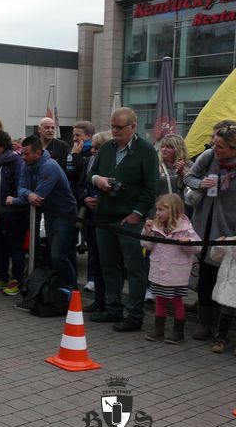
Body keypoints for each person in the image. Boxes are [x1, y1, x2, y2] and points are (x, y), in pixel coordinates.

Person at [89, 107, 159, 332]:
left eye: (119, 127)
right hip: (104, 215)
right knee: (109, 265)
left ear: (133, 127)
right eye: (112, 127)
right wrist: (98, 180)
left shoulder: (146, 150)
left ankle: (135, 315)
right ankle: (113, 308)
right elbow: (91, 173)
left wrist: (137, 213)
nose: (115, 131)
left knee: (134, 268)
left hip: (130, 219)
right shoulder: (107, 148)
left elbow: (152, 187)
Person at [184, 124, 236, 340]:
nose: (215, 150)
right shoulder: (208, 157)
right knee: (206, 272)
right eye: (215, 145)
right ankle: (204, 321)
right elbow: (188, 178)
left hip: (230, 227)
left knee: (225, 275)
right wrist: (200, 183)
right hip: (204, 222)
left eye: (220, 147)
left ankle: (221, 324)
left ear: (233, 149)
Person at [10, 135, 78, 289]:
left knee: (58, 255)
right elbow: (22, 187)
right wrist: (28, 194)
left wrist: (14, 200)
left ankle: (72, 290)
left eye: (26, 154)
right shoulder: (26, 164)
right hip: (49, 214)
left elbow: (39, 197)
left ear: (38, 153)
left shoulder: (49, 167)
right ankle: (61, 288)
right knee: (56, 254)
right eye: (22, 153)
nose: (23, 157)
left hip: (64, 214)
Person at [141, 194, 200, 343]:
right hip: (159, 271)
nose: (157, 213)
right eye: (157, 209)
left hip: (176, 274)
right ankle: (158, 329)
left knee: (176, 300)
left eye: (161, 210)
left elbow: (197, 248)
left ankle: (178, 331)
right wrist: (147, 232)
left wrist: (188, 242)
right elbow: (146, 245)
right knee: (159, 299)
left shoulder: (186, 228)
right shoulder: (155, 226)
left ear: (172, 210)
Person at [0, 130, 27, 296]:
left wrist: (14, 202)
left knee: (15, 248)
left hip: (13, 213)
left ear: (3, 146)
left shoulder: (15, 162)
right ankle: (2, 277)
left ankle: (17, 279)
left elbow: (21, 185)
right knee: (0, 247)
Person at [81, 131, 112, 312]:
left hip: (108, 217)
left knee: (108, 261)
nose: (93, 150)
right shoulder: (89, 162)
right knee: (95, 256)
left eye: (97, 147)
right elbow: (80, 186)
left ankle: (110, 302)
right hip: (91, 217)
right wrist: (85, 198)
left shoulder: (113, 164)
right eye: (92, 147)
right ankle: (99, 300)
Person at [210, 235, 236, 354]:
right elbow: (215, 257)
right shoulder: (230, 241)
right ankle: (221, 338)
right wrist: (219, 245)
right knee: (225, 311)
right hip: (227, 284)